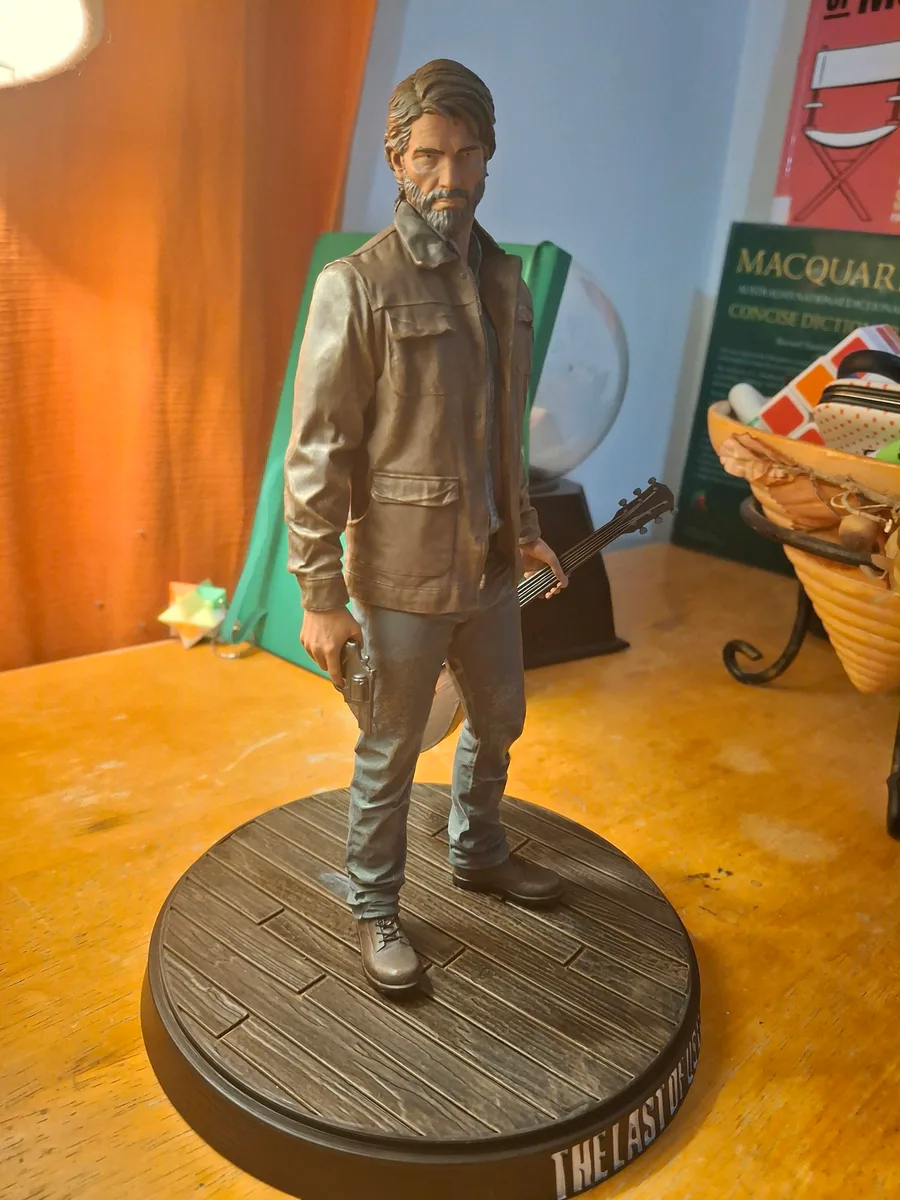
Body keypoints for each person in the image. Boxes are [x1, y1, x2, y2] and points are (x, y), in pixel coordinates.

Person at [284, 59, 567, 996]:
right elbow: (318, 452)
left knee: (501, 717)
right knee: (391, 745)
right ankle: (375, 906)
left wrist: (525, 527)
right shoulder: (357, 285)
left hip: (487, 565)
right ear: (397, 160)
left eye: (468, 153)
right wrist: (320, 595)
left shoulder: (505, 280)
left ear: (489, 157)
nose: (451, 175)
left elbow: (504, 429)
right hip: (401, 571)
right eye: (430, 155)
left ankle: (478, 850)